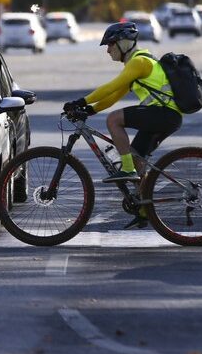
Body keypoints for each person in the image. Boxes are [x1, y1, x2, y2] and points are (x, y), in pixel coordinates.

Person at [62, 22, 183, 228]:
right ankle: (145, 209)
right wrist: (90, 110)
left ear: (124, 43)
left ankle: (126, 169)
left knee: (113, 120)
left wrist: (81, 102)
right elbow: (115, 95)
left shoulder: (139, 62)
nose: (108, 50)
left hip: (163, 114)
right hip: (167, 117)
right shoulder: (136, 64)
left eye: (110, 45)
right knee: (138, 159)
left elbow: (111, 86)